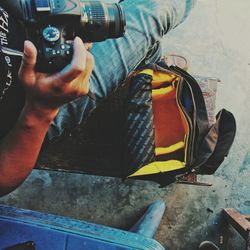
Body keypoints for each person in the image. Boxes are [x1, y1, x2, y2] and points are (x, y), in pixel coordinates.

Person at [0, 0, 196, 197]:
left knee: (121, 26)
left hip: (30, 31)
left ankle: (148, 58)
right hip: (33, 107)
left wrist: (33, 10)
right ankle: (148, 61)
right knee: (159, 7)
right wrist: (41, 111)